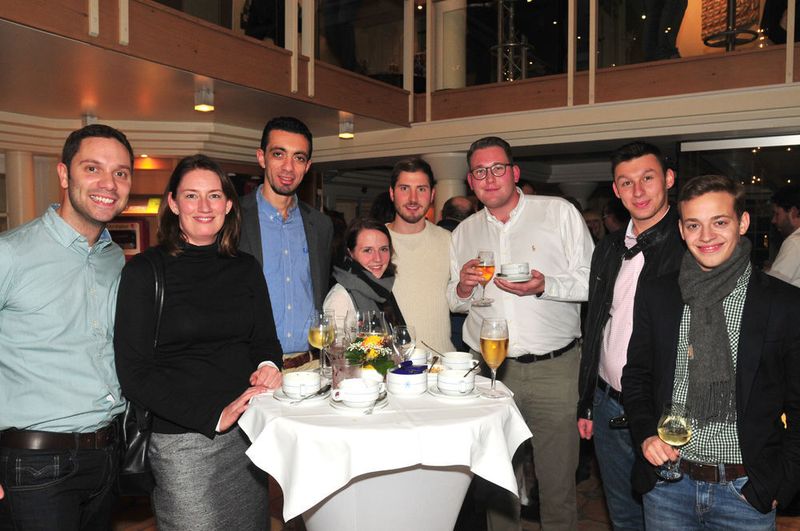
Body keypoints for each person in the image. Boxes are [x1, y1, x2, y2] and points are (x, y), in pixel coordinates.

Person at [114, 155, 283, 531]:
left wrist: (269, 368)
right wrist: (212, 416)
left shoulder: (246, 267)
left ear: (228, 204)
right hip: (182, 444)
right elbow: (133, 373)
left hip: (247, 435)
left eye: (214, 196)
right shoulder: (145, 272)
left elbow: (265, 342)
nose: (204, 207)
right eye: (192, 196)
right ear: (173, 203)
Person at [622, 174, 800, 530]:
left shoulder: (784, 304)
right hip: (668, 484)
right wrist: (644, 435)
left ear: (742, 222)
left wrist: (782, 482)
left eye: (719, 222)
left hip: (745, 492)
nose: (706, 237)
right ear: (682, 230)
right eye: (694, 225)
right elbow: (637, 376)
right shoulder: (658, 294)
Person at [448, 136, 593, 530]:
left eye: (497, 168)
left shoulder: (558, 213)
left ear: (514, 173)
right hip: (491, 371)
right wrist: (463, 287)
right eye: (480, 171)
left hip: (555, 370)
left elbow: (593, 281)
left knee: (557, 482)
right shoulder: (463, 233)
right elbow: (454, 301)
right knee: (497, 481)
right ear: (470, 180)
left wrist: (545, 286)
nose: (489, 178)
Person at [0, 124, 133, 528]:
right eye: (92, 168)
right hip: (35, 465)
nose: (108, 183)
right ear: (64, 175)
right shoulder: (11, 253)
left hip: (108, 455)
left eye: (121, 173)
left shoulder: (114, 259)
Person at [576, 141, 685, 530]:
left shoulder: (691, 246)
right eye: (627, 182)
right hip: (607, 404)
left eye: (647, 178)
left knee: (664, 516)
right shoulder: (607, 248)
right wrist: (586, 401)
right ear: (616, 191)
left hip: (662, 410)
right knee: (623, 515)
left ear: (669, 180)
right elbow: (595, 327)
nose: (638, 191)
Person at [239, 116, 333, 371]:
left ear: (308, 166)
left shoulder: (321, 226)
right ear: (262, 157)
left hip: (310, 366)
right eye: (279, 154)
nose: (289, 167)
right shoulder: (232, 219)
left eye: (299, 158)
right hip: (250, 367)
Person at [387, 158, 454, 353]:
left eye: (422, 189)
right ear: (392, 193)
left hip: (442, 366)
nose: (413, 199)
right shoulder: (374, 244)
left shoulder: (449, 241)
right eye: (404, 188)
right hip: (390, 368)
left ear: (432, 194)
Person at [323, 217, 405, 326]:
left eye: (383, 249)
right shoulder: (340, 297)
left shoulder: (383, 287)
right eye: (368, 250)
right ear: (350, 253)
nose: (378, 258)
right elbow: (333, 342)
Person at [438, 195, 476, 351]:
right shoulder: (472, 239)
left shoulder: (432, 236)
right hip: (463, 320)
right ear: (473, 216)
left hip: (436, 318)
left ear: (441, 214)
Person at [768, 184, 800, 287]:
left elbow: (772, 288)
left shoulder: (795, 242)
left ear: (793, 213)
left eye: (777, 214)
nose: (773, 220)